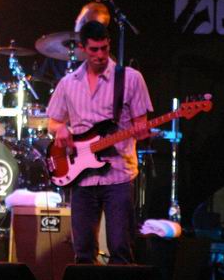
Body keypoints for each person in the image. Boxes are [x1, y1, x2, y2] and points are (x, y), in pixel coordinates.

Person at [46, 20, 152, 264]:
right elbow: (52, 122)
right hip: (81, 176)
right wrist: (59, 128)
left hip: (118, 175)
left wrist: (142, 131)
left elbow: (140, 125)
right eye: (94, 49)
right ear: (82, 48)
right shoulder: (68, 83)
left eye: (104, 48)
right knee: (83, 251)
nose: (100, 55)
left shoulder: (130, 78)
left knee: (120, 249)